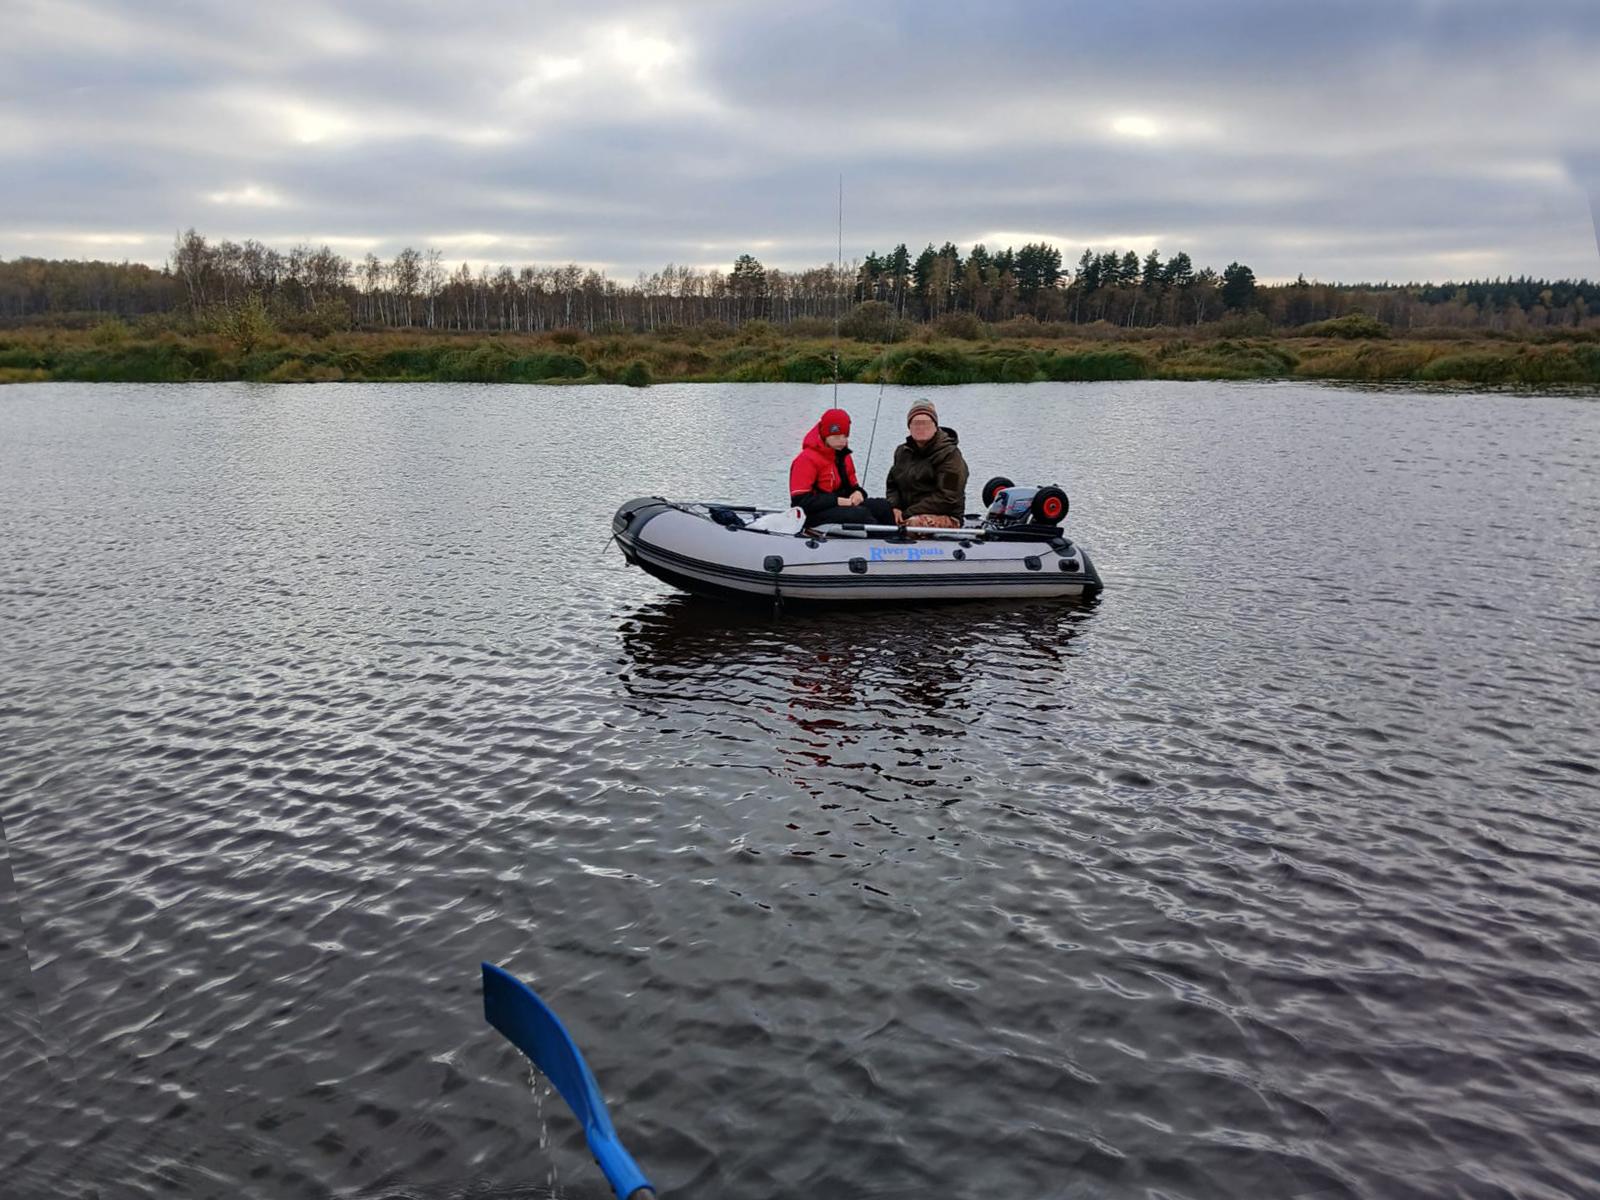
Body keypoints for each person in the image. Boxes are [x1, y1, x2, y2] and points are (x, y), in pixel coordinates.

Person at [788, 407, 897, 527]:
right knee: (860, 514)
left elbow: (853, 487)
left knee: (883, 506)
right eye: (836, 437)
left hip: (842, 506)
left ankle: (894, 540)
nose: (842, 441)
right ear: (825, 435)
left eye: (845, 436)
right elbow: (800, 502)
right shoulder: (806, 460)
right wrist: (836, 501)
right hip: (810, 514)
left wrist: (858, 493)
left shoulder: (844, 455)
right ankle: (877, 542)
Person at [885, 399, 969, 528]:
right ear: (909, 427)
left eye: (925, 423)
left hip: (945, 515)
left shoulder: (950, 456)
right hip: (906, 513)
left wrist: (908, 513)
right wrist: (894, 507)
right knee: (874, 510)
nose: (921, 428)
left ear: (935, 426)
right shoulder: (902, 452)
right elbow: (892, 485)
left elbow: (948, 498)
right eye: (916, 423)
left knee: (914, 523)